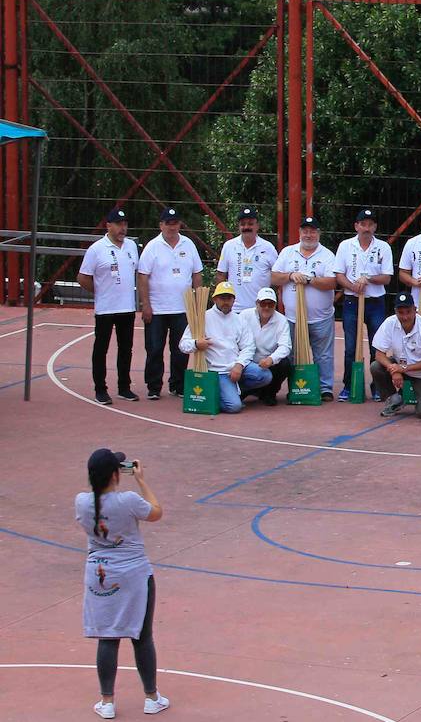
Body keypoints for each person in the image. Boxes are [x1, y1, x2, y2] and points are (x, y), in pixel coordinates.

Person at [77, 449, 169, 718]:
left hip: (99, 572)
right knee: (142, 636)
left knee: (107, 637)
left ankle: (107, 702)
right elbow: (156, 512)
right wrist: (141, 480)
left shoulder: (81, 502)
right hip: (133, 573)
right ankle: (151, 697)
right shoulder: (127, 500)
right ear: (117, 474)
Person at [136, 207, 203, 400]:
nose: (172, 227)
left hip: (183, 308)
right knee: (155, 348)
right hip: (157, 309)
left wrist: (197, 304)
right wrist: (146, 305)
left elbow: (197, 274)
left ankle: (178, 385)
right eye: (168, 223)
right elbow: (143, 277)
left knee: (181, 349)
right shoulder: (152, 246)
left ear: (179, 224)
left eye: (175, 223)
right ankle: (154, 386)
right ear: (161, 225)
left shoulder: (188, 244)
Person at [270, 216, 339, 400]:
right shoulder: (287, 252)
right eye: (305, 231)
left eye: (312, 231)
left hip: (321, 317)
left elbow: (332, 282)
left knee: (323, 355)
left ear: (319, 233)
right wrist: (291, 275)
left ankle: (325, 389)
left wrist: (309, 279)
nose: (309, 234)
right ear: (300, 233)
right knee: (292, 354)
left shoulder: (327, 255)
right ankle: (297, 386)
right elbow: (274, 277)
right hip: (292, 317)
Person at [79, 208, 141, 405]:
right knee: (101, 349)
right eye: (118, 224)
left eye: (124, 224)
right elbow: (82, 278)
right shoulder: (97, 249)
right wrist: (99, 291)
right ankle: (100, 389)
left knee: (126, 349)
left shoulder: (131, 246)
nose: (122, 228)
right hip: (105, 308)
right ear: (108, 226)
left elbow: (138, 271)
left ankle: (124, 387)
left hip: (127, 307)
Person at [178, 281, 269, 413]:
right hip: (216, 372)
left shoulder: (239, 320)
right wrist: (196, 344)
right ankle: (216, 395)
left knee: (264, 375)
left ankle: (232, 390)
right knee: (234, 407)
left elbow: (248, 347)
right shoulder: (202, 318)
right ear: (214, 299)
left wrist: (239, 365)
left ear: (234, 300)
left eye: (229, 298)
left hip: (234, 367)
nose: (226, 302)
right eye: (222, 298)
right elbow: (183, 344)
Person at [334, 208, 393, 402]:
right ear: (356, 226)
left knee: (377, 346)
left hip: (376, 302)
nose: (366, 228)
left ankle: (378, 387)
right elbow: (339, 274)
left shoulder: (383, 247)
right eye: (363, 224)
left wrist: (367, 279)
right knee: (351, 346)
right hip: (352, 301)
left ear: (375, 226)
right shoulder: (345, 246)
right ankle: (349, 386)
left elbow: (386, 277)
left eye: (370, 224)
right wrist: (353, 286)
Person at [375, 293, 421, 419]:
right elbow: (379, 354)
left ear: (415, 309)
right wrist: (394, 370)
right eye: (401, 312)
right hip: (401, 366)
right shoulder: (389, 323)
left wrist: (402, 369)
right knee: (376, 367)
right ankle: (395, 399)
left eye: (408, 311)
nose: (405, 316)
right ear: (395, 311)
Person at [214, 207, 278, 313]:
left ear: (257, 226)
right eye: (243, 224)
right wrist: (220, 302)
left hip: (260, 309)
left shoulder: (268, 248)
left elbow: (277, 276)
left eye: (250, 224)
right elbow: (221, 275)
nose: (246, 227)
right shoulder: (229, 246)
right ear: (238, 226)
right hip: (234, 309)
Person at [240, 287, 292, 406]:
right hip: (247, 360)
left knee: (285, 364)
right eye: (263, 303)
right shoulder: (244, 315)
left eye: (271, 304)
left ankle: (270, 393)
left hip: (268, 361)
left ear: (275, 305)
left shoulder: (282, 320)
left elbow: (285, 346)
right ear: (257, 303)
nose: (267, 307)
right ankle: (247, 390)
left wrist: (271, 359)